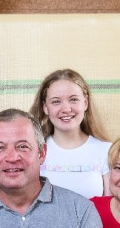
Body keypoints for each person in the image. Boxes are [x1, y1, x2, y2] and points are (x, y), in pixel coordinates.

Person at [29, 68, 112, 199]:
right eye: (56, 101)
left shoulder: (106, 150)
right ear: (45, 107)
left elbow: (110, 208)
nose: (66, 109)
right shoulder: (34, 152)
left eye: (73, 99)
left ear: (85, 102)